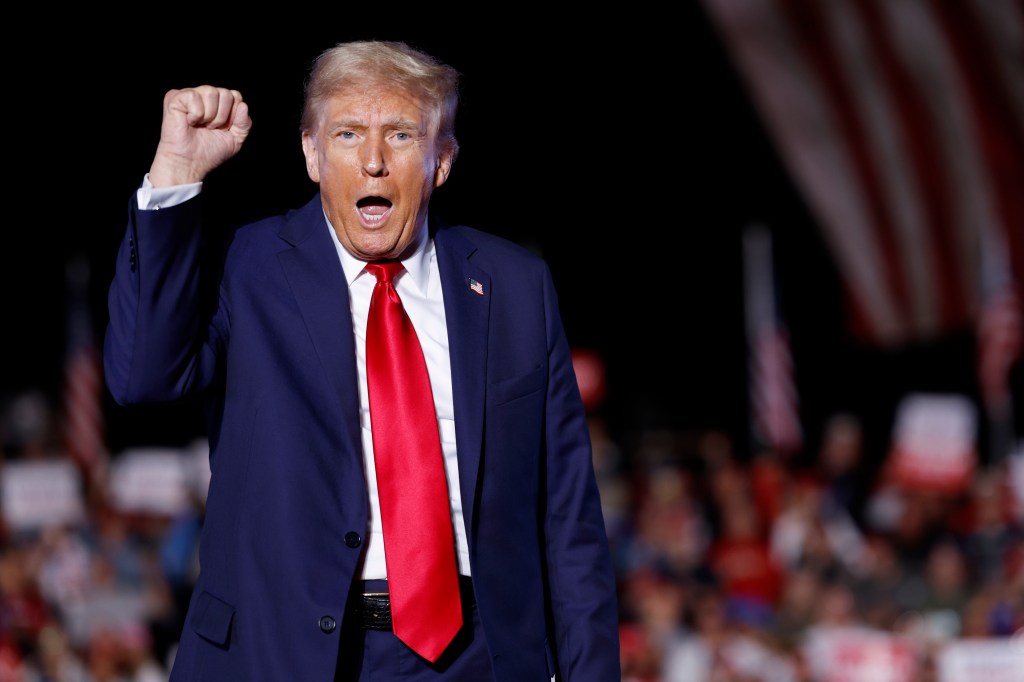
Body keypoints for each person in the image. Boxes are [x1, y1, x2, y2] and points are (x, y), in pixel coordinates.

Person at [103, 39, 620, 681]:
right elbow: (141, 378)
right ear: (312, 154)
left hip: (478, 659)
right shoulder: (249, 267)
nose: (372, 162)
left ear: (442, 161)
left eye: (401, 135)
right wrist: (176, 170)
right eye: (347, 134)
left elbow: (568, 521)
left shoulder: (516, 288)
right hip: (282, 655)